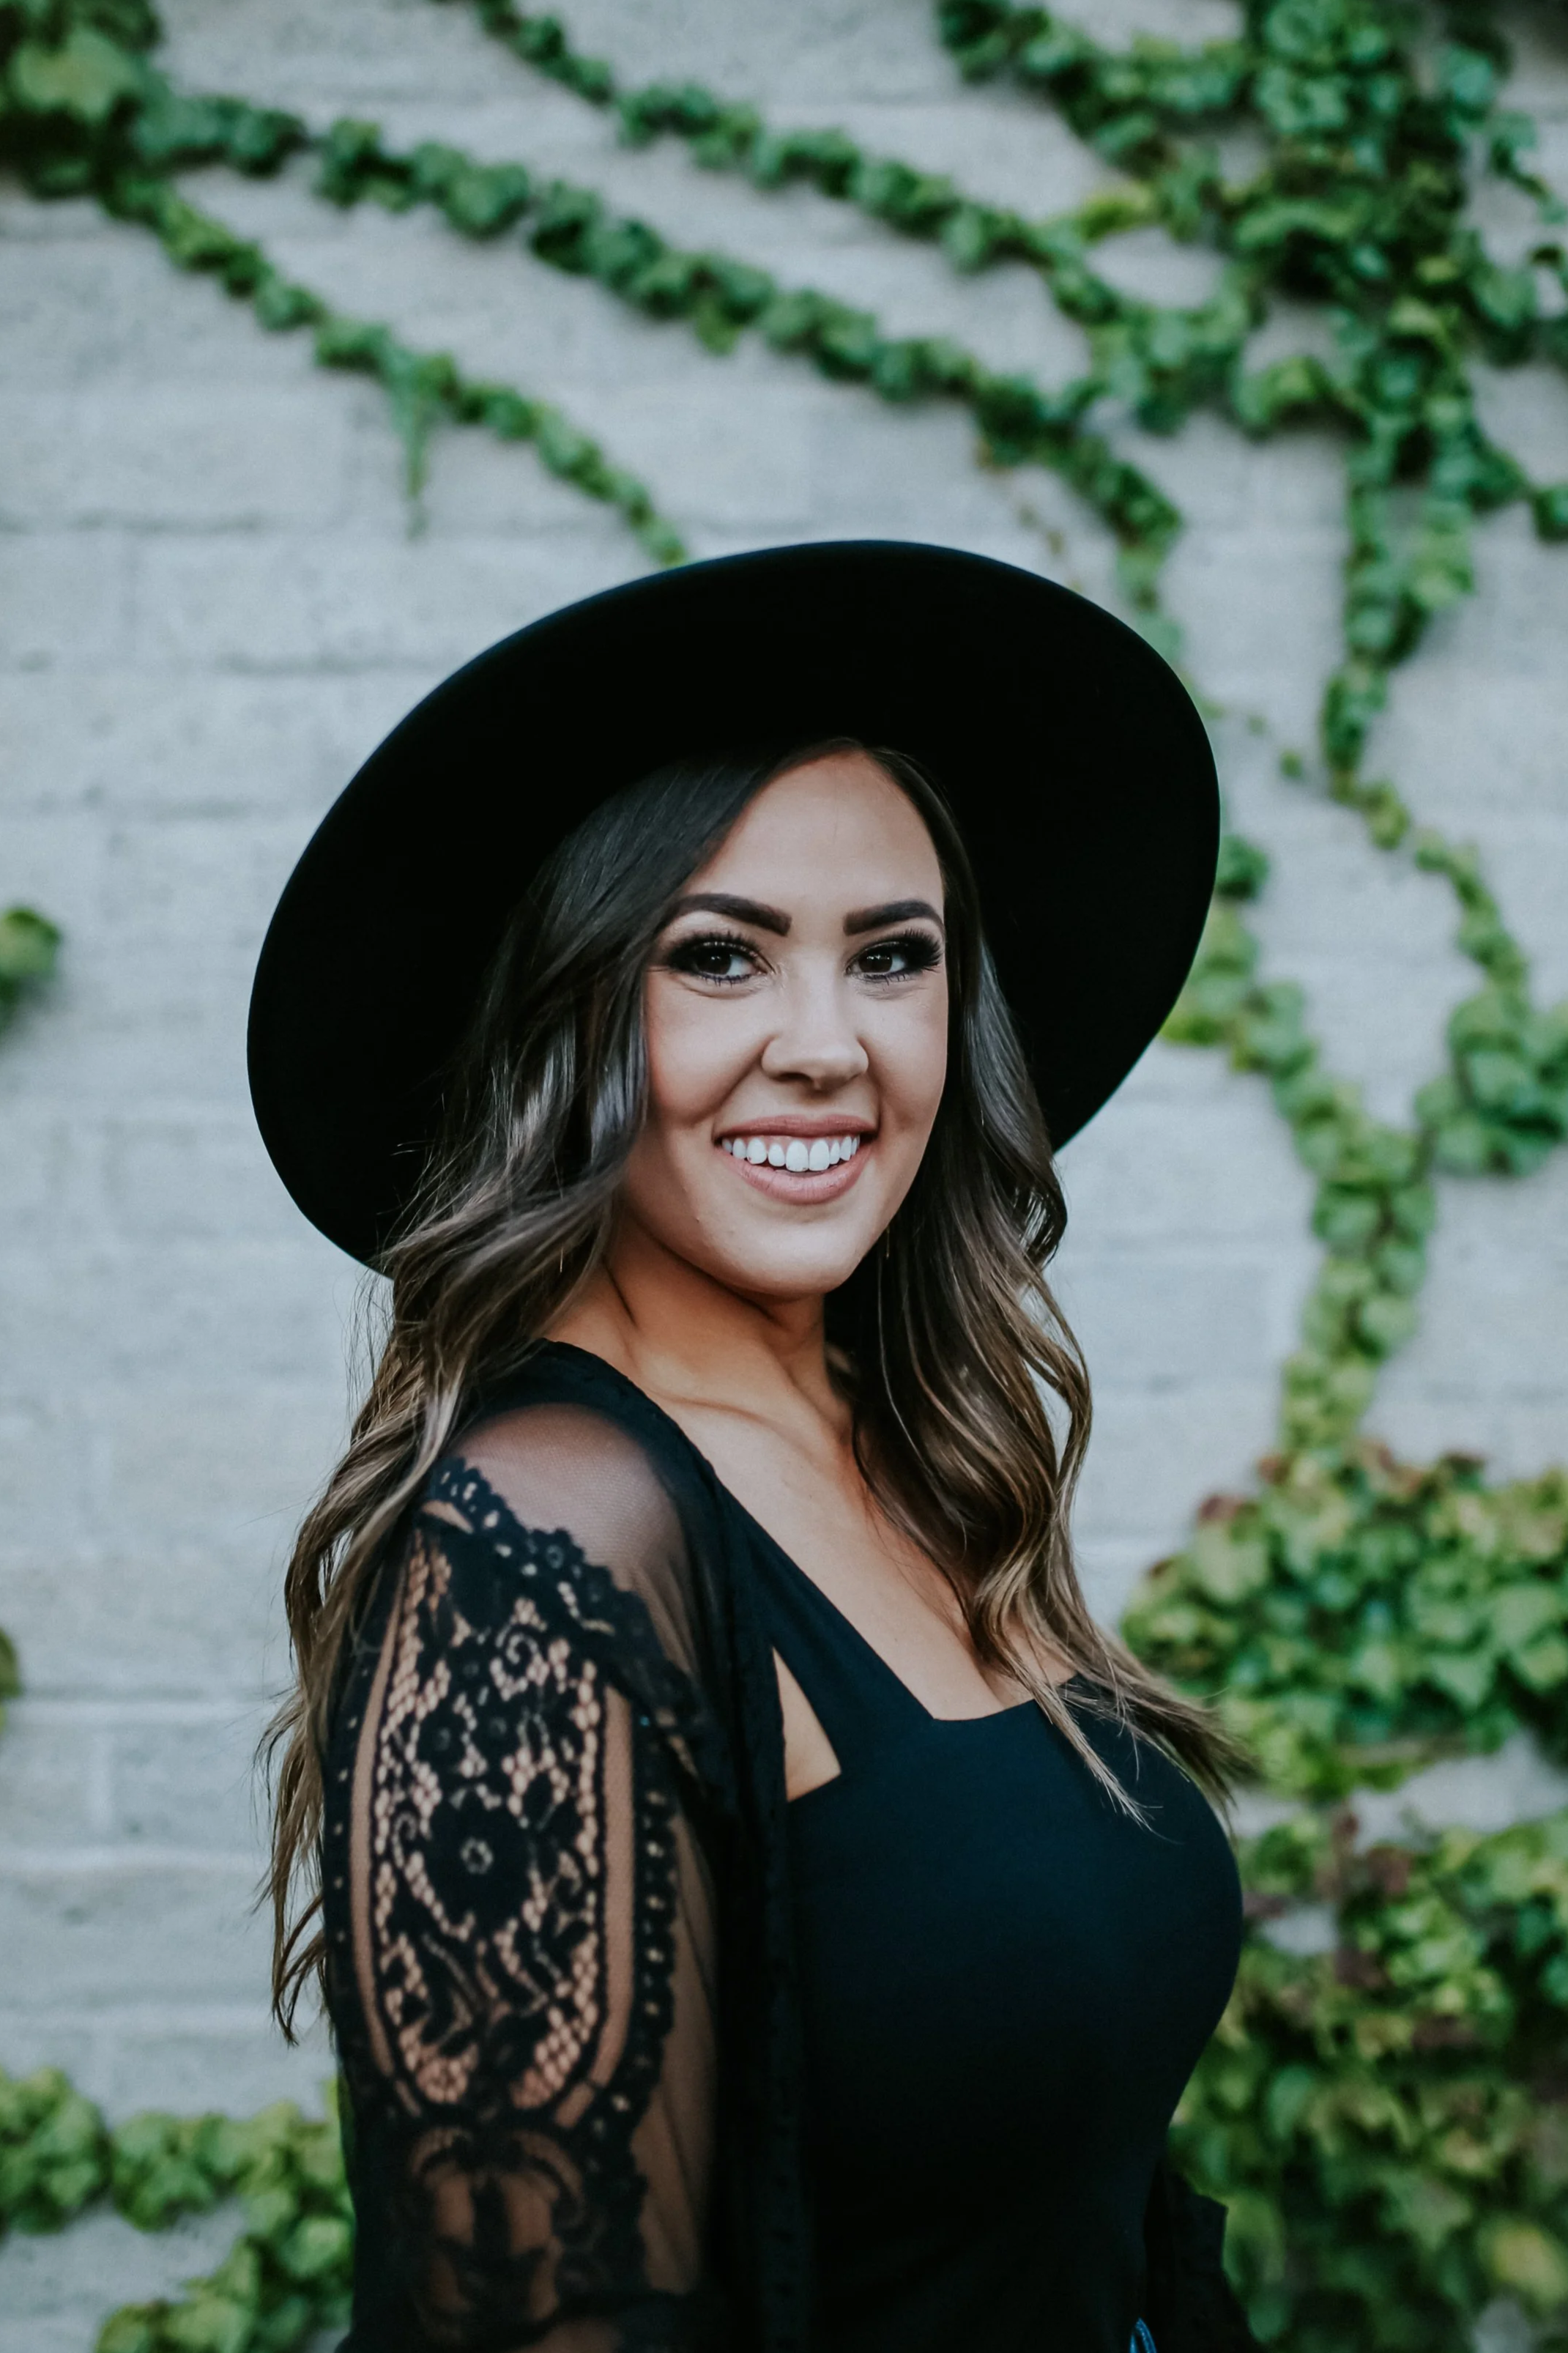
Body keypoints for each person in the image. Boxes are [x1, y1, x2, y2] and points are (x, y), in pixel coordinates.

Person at [250, 542, 1255, 2353]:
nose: (825, 1046)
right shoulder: (541, 1544)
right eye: (717, 957)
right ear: (568, 1015)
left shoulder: (911, 1447)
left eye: (890, 957)